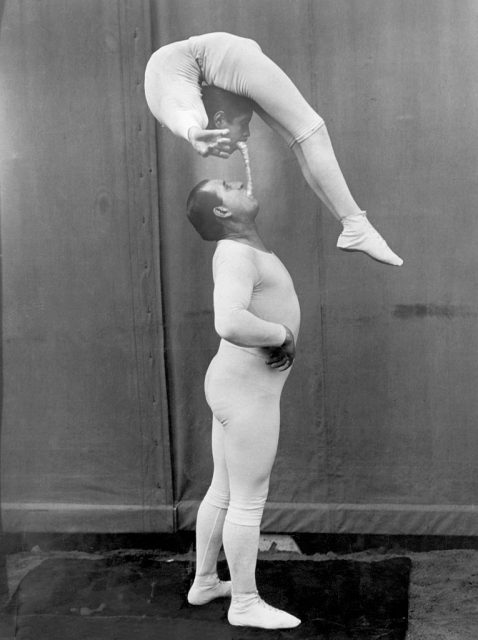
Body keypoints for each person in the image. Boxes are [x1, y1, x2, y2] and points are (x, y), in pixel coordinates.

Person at [145, 31, 403, 266]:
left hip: (218, 58)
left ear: (220, 120)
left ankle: (355, 224)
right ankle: (353, 224)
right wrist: (192, 133)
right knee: (300, 138)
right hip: (215, 61)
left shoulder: (177, 106)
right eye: (245, 125)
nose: (246, 135)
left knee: (311, 130)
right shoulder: (176, 103)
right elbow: (185, 115)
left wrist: (193, 133)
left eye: (244, 125)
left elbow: (184, 113)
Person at [185, 178, 301, 629]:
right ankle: (246, 602)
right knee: (249, 499)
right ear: (221, 213)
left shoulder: (248, 251)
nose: (239, 182)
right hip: (246, 391)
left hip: (236, 385)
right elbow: (229, 321)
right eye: (228, 185)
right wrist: (281, 335)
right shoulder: (235, 252)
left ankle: (206, 582)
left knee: (225, 490)